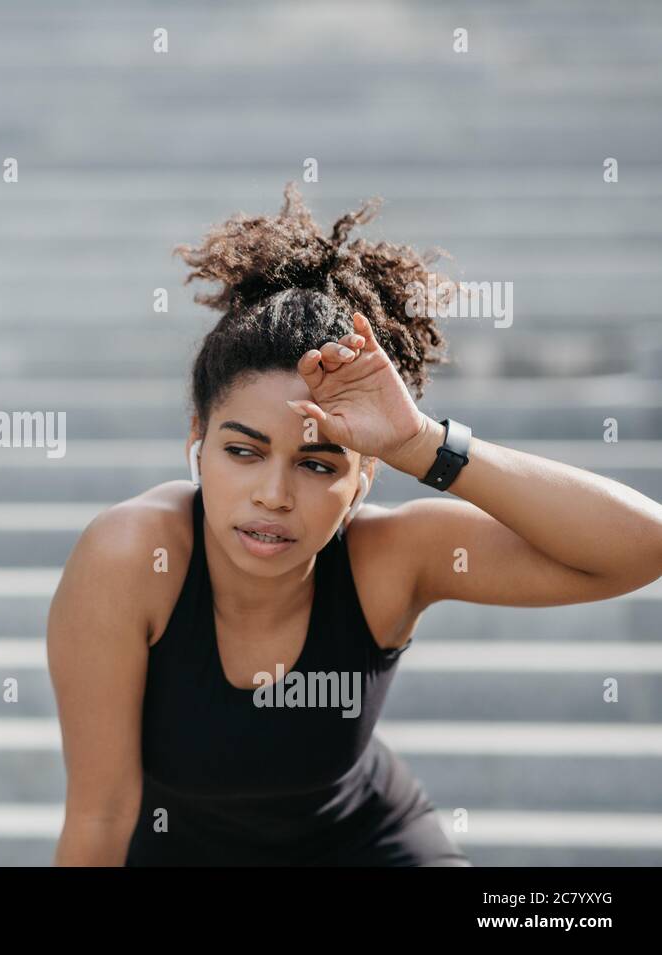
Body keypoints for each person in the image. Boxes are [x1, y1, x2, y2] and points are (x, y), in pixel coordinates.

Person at [47, 183, 662, 866]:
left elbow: (641, 548)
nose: (273, 495)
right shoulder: (131, 558)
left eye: (317, 465)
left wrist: (424, 444)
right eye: (243, 452)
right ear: (197, 438)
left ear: (365, 476)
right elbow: (100, 816)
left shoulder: (388, 559)